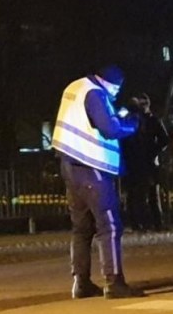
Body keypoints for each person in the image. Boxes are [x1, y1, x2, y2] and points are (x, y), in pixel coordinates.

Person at [53, 65, 144, 299]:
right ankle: (114, 282)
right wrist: (133, 124)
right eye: (116, 89)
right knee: (109, 225)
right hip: (91, 167)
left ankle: (80, 283)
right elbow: (110, 129)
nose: (115, 93)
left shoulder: (76, 86)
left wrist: (118, 113)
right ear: (109, 83)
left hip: (70, 165)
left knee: (81, 228)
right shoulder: (95, 93)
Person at [122, 93, 169, 231]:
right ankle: (137, 223)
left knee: (151, 193)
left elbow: (164, 139)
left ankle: (155, 222)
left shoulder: (153, 120)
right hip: (134, 162)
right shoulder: (132, 120)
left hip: (147, 162)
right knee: (134, 194)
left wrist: (152, 151)